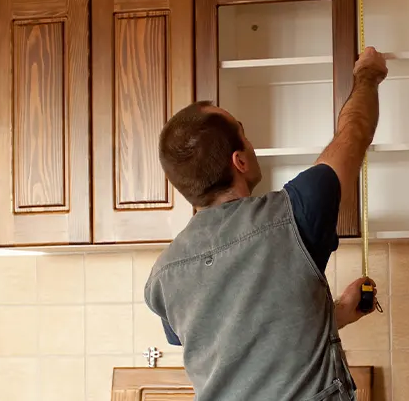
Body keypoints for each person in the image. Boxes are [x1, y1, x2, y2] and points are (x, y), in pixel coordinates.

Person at [144, 46, 390, 400]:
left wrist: (335, 316)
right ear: (239, 161)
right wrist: (368, 75)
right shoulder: (293, 216)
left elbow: (243, 343)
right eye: (243, 133)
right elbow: (353, 134)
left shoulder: (162, 277)